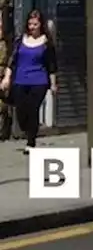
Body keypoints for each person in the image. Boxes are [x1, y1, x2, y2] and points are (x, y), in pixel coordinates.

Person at [0, 10, 58, 152]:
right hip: (20, 80)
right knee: (21, 111)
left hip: (39, 81)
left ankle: (30, 142)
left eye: (35, 24)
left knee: (33, 110)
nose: (32, 27)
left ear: (41, 25)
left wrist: (53, 84)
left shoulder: (46, 43)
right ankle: (27, 129)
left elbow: (51, 66)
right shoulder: (21, 40)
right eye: (30, 24)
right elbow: (12, 61)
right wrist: (7, 78)